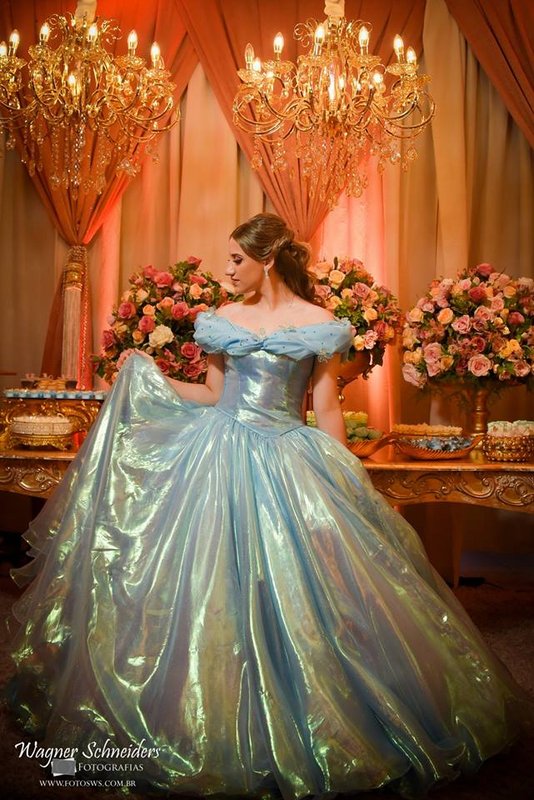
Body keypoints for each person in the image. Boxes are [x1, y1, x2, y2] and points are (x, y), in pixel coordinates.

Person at [5, 213, 531, 799]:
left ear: (269, 259)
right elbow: (211, 393)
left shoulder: (321, 325)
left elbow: (324, 407)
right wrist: (148, 375)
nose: (227, 270)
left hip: (287, 452)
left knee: (310, 587)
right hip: (217, 453)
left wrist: (345, 475)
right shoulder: (221, 320)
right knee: (210, 584)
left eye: (237, 259)